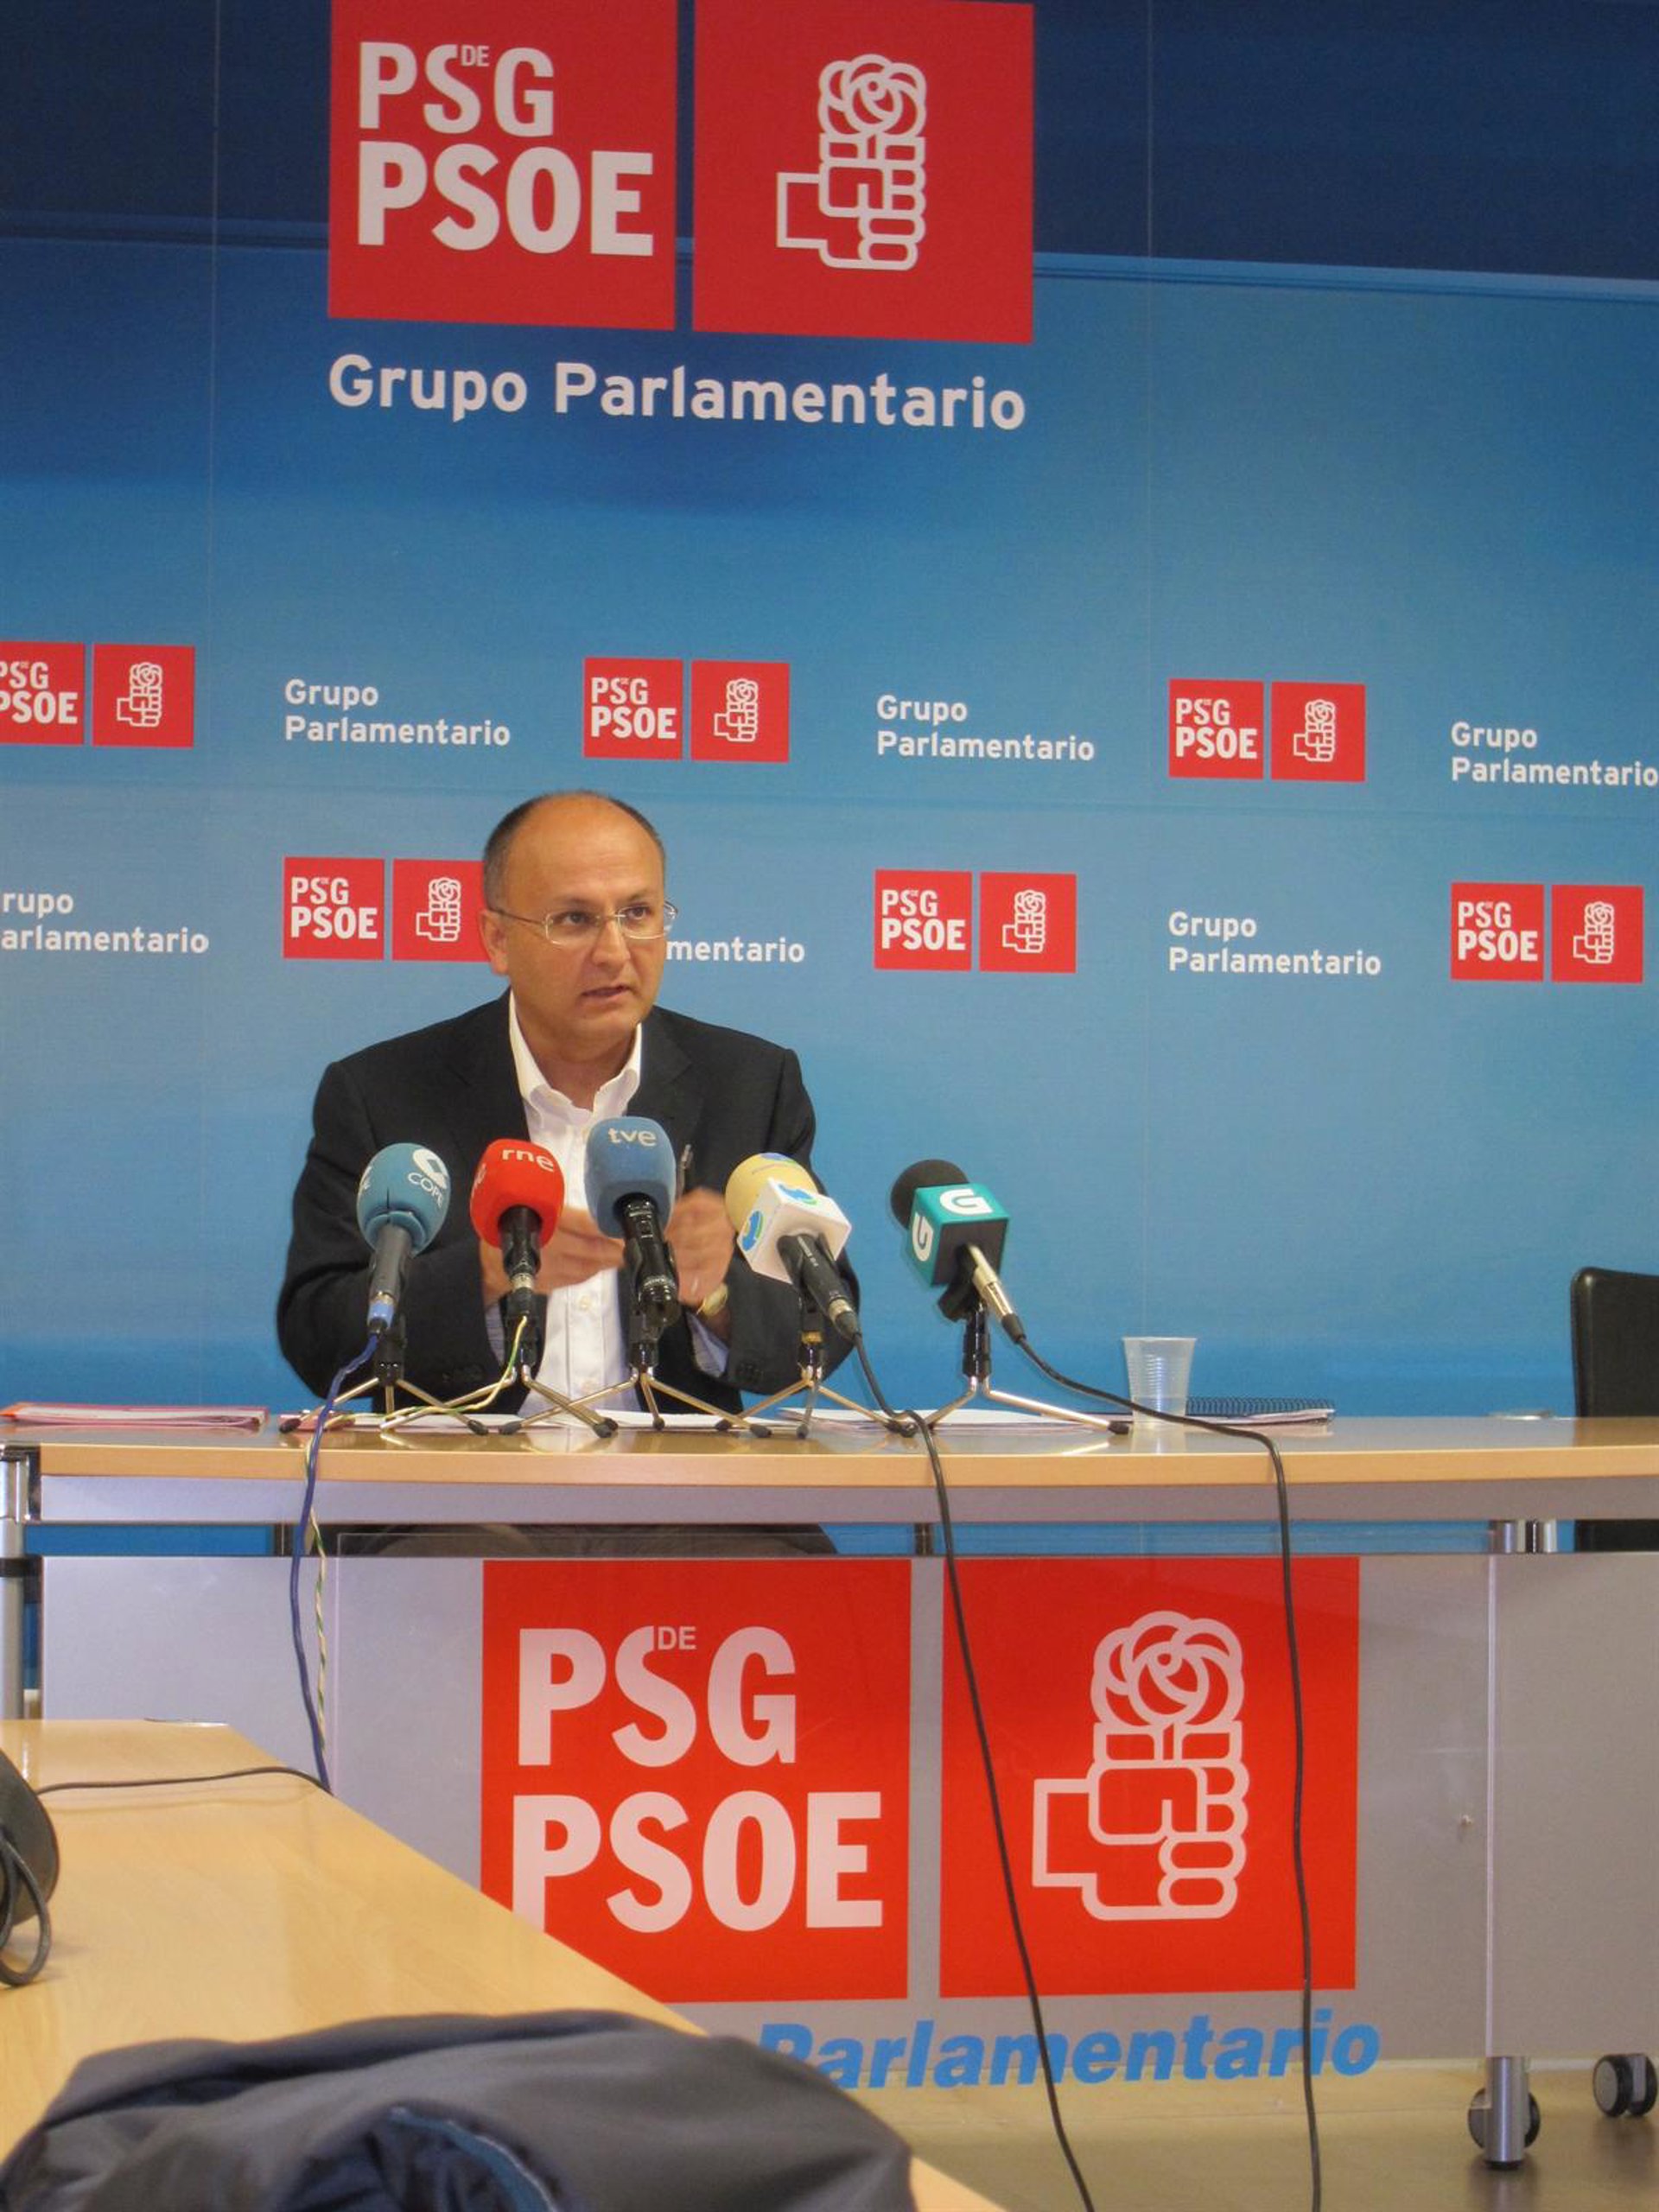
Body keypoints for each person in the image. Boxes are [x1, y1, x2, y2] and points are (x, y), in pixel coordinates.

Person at [277, 791, 854, 1423]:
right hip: (463, 1472)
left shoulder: (748, 1084)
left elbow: (830, 1325)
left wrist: (715, 1293)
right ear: (498, 939)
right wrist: (487, 1274)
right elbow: (318, 1337)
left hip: (677, 1473)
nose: (614, 951)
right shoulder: (383, 1092)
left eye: (638, 913)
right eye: (575, 919)